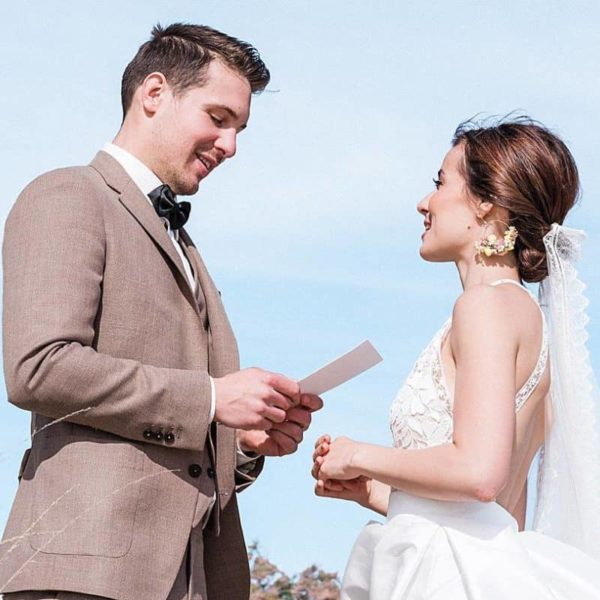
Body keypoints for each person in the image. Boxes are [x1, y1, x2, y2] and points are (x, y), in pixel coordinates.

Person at [0, 23, 322, 600]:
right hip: (85, 576)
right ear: (154, 94)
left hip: (195, 578)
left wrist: (241, 443)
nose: (230, 146)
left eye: (239, 129)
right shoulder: (67, 195)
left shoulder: (187, 248)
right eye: (218, 118)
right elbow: (38, 367)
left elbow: (177, 445)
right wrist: (214, 398)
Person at [312, 118, 600, 599]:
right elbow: (496, 519)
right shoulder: (523, 318)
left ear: (487, 202)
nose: (424, 203)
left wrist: (357, 454)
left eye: (440, 183)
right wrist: (377, 491)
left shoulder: (486, 307)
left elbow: (479, 474)